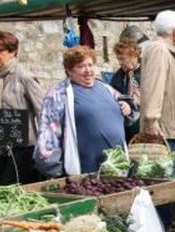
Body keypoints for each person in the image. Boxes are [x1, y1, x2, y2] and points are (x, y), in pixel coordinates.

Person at [34, 46, 137, 176]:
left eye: (90, 65)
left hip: (117, 166)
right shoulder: (58, 95)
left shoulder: (106, 88)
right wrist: (55, 171)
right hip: (83, 171)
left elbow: (130, 109)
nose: (88, 70)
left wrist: (126, 106)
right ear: (69, 70)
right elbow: (48, 135)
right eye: (81, 66)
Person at [0, 31, 44, 184]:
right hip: (1, 147)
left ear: (12, 52)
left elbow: (43, 113)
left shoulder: (24, 77)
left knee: (14, 191)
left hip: (22, 149)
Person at [140, 10, 175, 149]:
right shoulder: (159, 50)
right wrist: (152, 120)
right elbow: (154, 85)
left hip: (165, 126)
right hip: (161, 128)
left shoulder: (160, 49)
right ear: (174, 31)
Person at [110, 38, 142, 142]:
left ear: (134, 56)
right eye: (118, 59)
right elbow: (113, 95)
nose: (120, 62)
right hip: (128, 124)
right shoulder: (118, 76)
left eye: (123, 59)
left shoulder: (147, 70)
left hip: (145, 121)